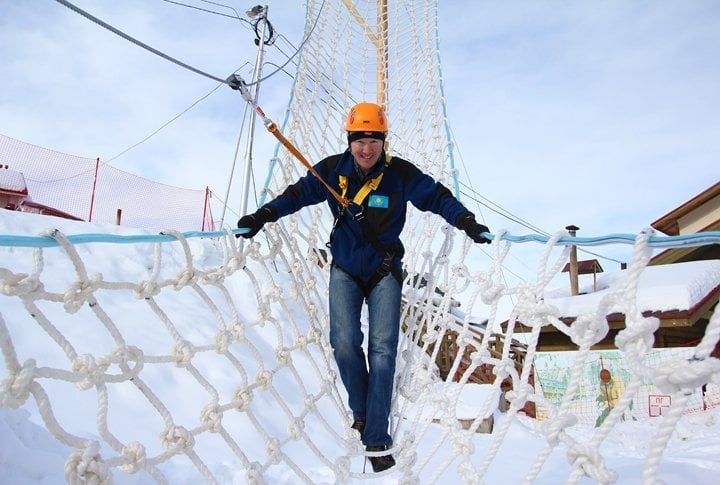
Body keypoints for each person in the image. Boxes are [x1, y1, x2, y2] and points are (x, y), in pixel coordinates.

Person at [237, 102, 490, 473]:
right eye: (360, 141)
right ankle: (362, 411)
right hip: (344, 271)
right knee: (343, 342)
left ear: (383, 141)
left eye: (374, 140)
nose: (367, 149)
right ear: (350, 141)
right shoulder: (331, 172)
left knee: (383, 350)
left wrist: (465, 220)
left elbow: (436, 197)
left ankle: (376, 436)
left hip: (385, 271)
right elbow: (296, 195)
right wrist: (263, 215)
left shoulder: (400, 174)